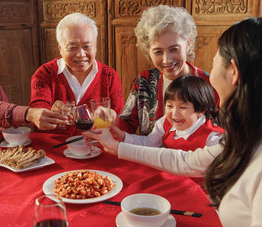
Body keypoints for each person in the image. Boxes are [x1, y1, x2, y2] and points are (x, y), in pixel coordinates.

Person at [84, 17, 262, 227]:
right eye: (158, 51)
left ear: (233, 72)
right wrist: (115, 131)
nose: (166, 59)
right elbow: (183, 159)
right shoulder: (246, 137)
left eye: (214, 60)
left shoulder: (209, 99)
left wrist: (117, 147)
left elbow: (190, 161)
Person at [116, 5, 218, 136]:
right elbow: (124, 126)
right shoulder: (145, 81)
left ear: (187, 44)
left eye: (174, 49)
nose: (167, 60)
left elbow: (220, 136)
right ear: (148, 51)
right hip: (148, 156)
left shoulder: (209, 84)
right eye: (158, 51)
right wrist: (110, 120)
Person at [28, 13, 124, 135]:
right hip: (53, 148)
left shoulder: (109, 76)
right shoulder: (45, 74)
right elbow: (36, 113)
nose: (80, 54)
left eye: (87, 46)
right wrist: (50, 113)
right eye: (72, 47)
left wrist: (113, 116)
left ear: (95, 47)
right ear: (60, 48)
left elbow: (122, 124)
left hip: (97, 148)